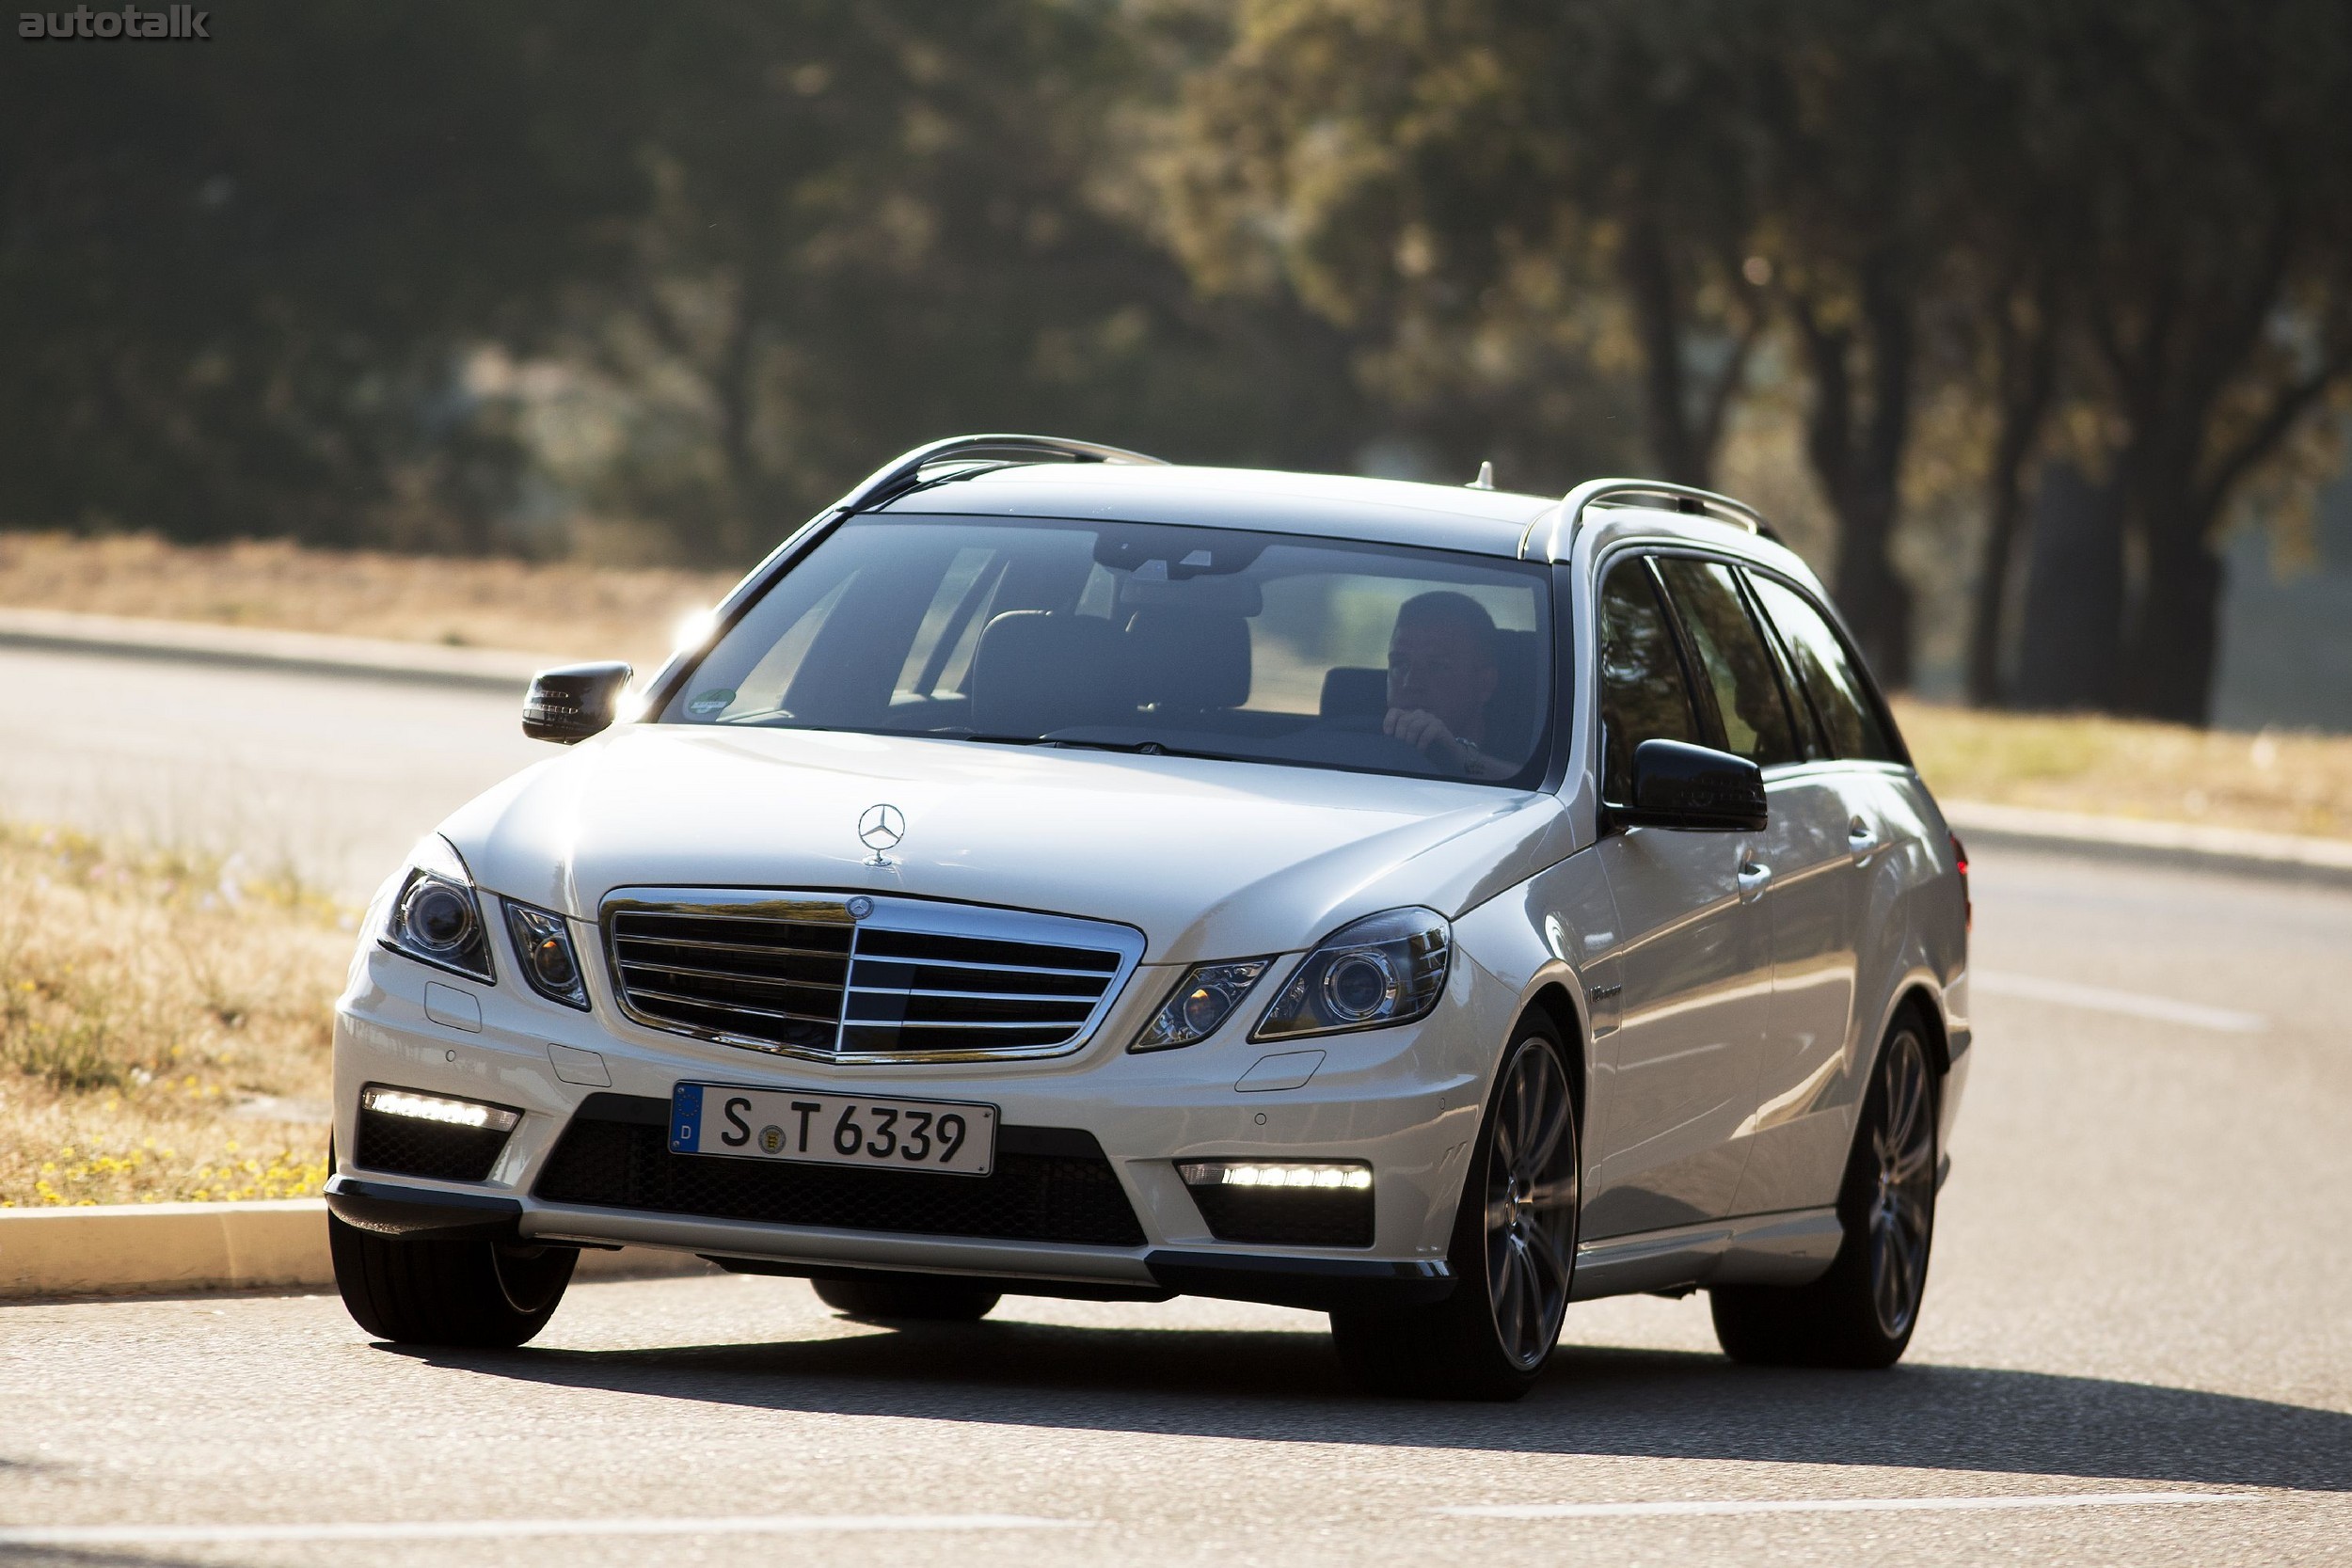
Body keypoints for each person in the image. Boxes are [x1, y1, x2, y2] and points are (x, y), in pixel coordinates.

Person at [1384, 591, 1514, 778]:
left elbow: (1532, 783)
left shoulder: (1544, 764)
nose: (1410, 683)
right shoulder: (1357, 743)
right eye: (1399, 664)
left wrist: (1458, 755)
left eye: (1436, 666)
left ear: (1485, 683)